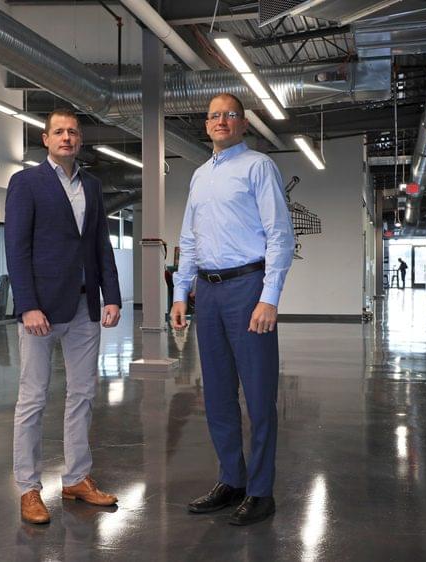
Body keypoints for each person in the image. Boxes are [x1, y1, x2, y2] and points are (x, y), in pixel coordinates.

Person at [170, 93, 295, 526]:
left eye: (230, 115)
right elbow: (189, 239)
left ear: (243, 123)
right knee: (219, 396)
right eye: (214, 115)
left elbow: (280, 235)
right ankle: (232, 480)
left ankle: (261, 492)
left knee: (259, 398)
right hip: (208, 292)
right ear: (206, 126)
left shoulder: (259, 167)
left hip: (247, 288)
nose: (221, 121)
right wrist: (180, 293)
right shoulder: (200, 176)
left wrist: (269, 296)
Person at [5, 108, 122, 525]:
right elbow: (16, 249)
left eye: (73, 132)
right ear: (46, 139)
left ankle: (75, 479)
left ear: (80, 140)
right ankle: (28, 488)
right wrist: (27, 304)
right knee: (33, 398)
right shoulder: (26, 184)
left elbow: (100, 245)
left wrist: (112, 295)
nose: (67, 137)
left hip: (85, 307)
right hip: (42, 310)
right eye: (59, 132)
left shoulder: (91, 185)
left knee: (84, 394)